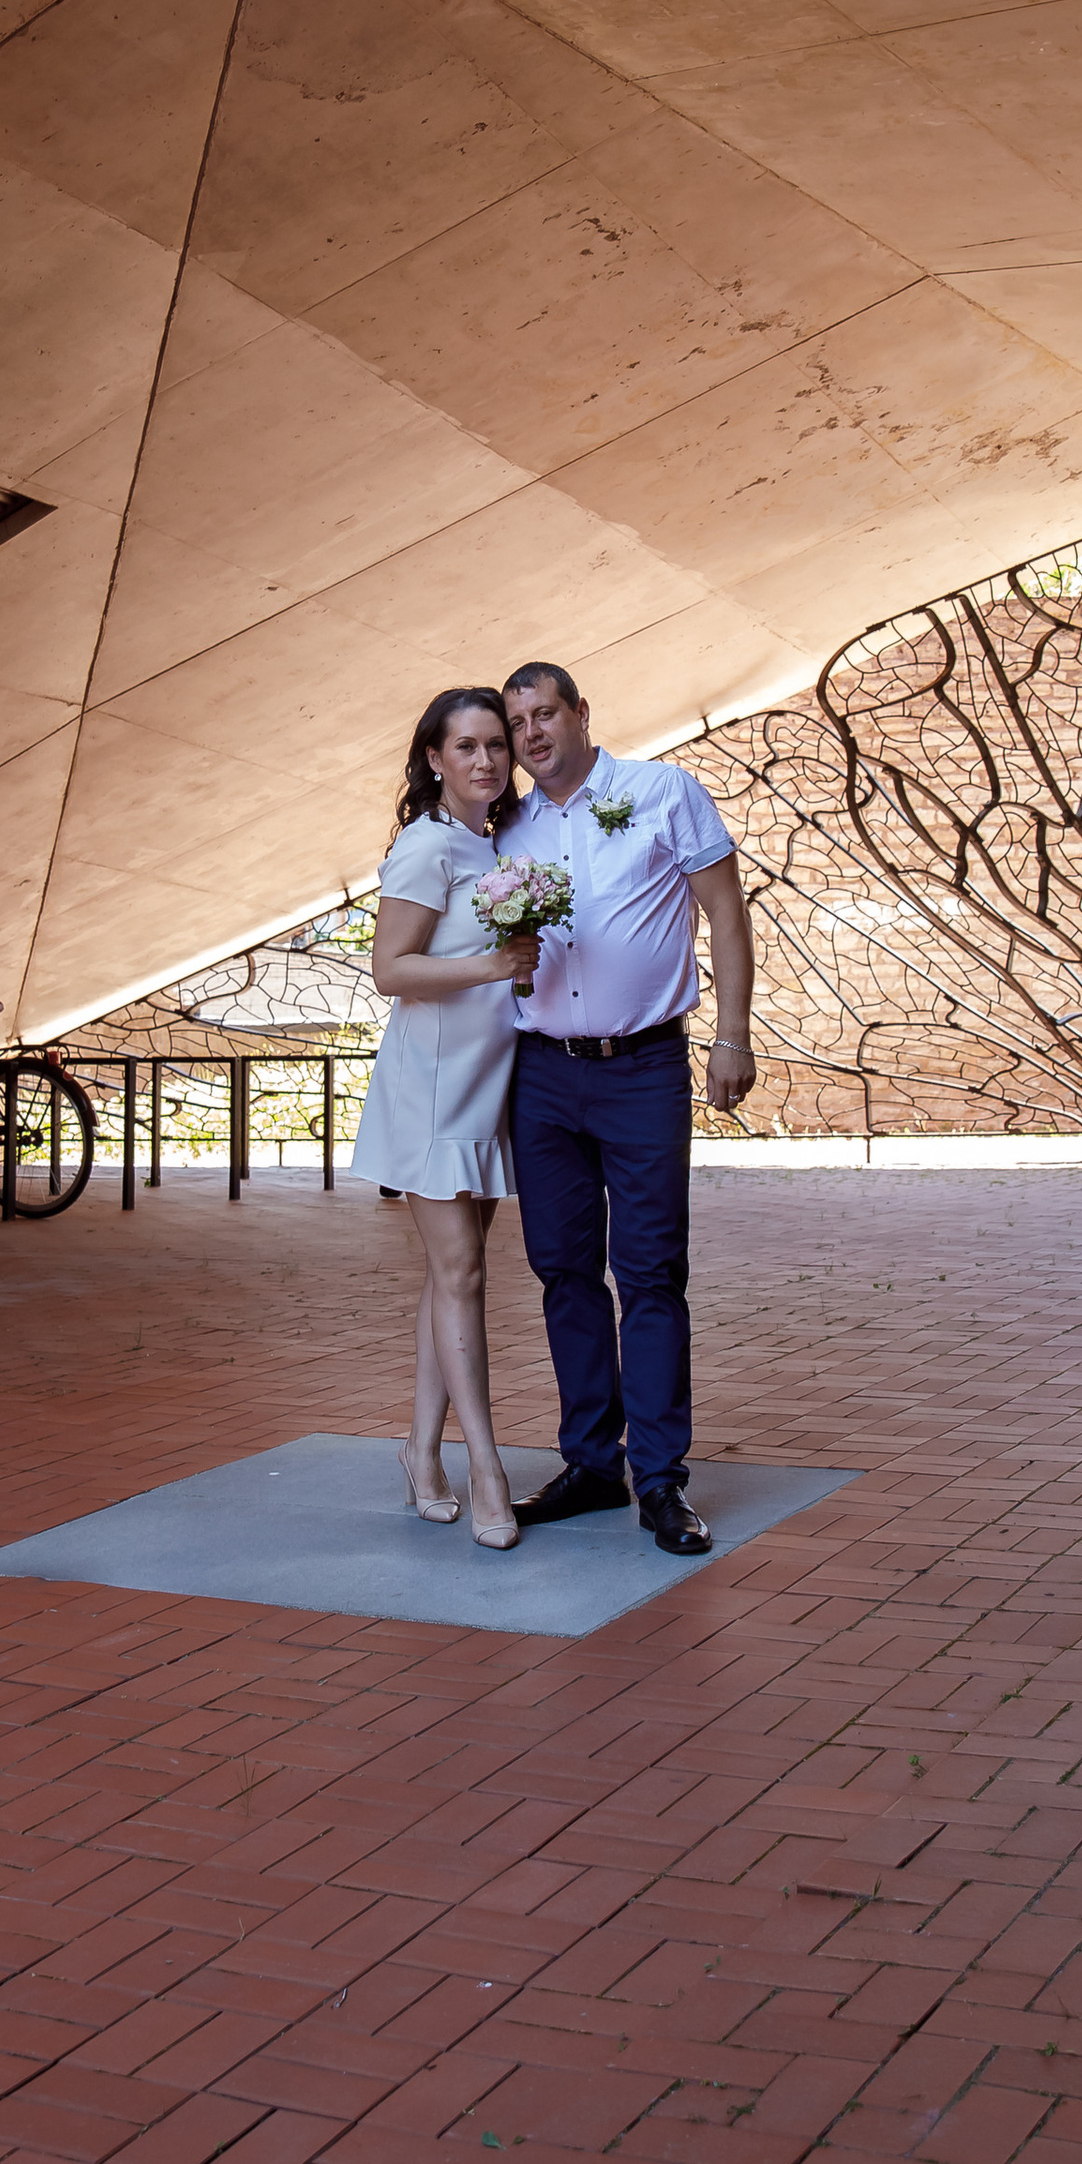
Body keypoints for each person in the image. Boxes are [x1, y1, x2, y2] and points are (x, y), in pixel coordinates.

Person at [499, 662, 757, 1556]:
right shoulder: (509, 825)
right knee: (563, 1272)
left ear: (579, 714)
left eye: (545, 713)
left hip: (642, 1067)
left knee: (649, 1273)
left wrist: (733, 1035)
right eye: (518, 720)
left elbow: (725, 913)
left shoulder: (661, 792)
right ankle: (590, 1464)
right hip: (540, 1074)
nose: (532, 733)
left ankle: (659, 1480)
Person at [346, 689, 541, 1550]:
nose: (486, 760)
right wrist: (496, 963)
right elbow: (391, 970)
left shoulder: (493, 844)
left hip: (488, 1084)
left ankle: (421, 1452)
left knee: (448, 1278)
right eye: (465, 746)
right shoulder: (427, 846)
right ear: (434, 758)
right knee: (461, 1275)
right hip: (430, 1091)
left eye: (496, 744)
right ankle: (486, 1469)